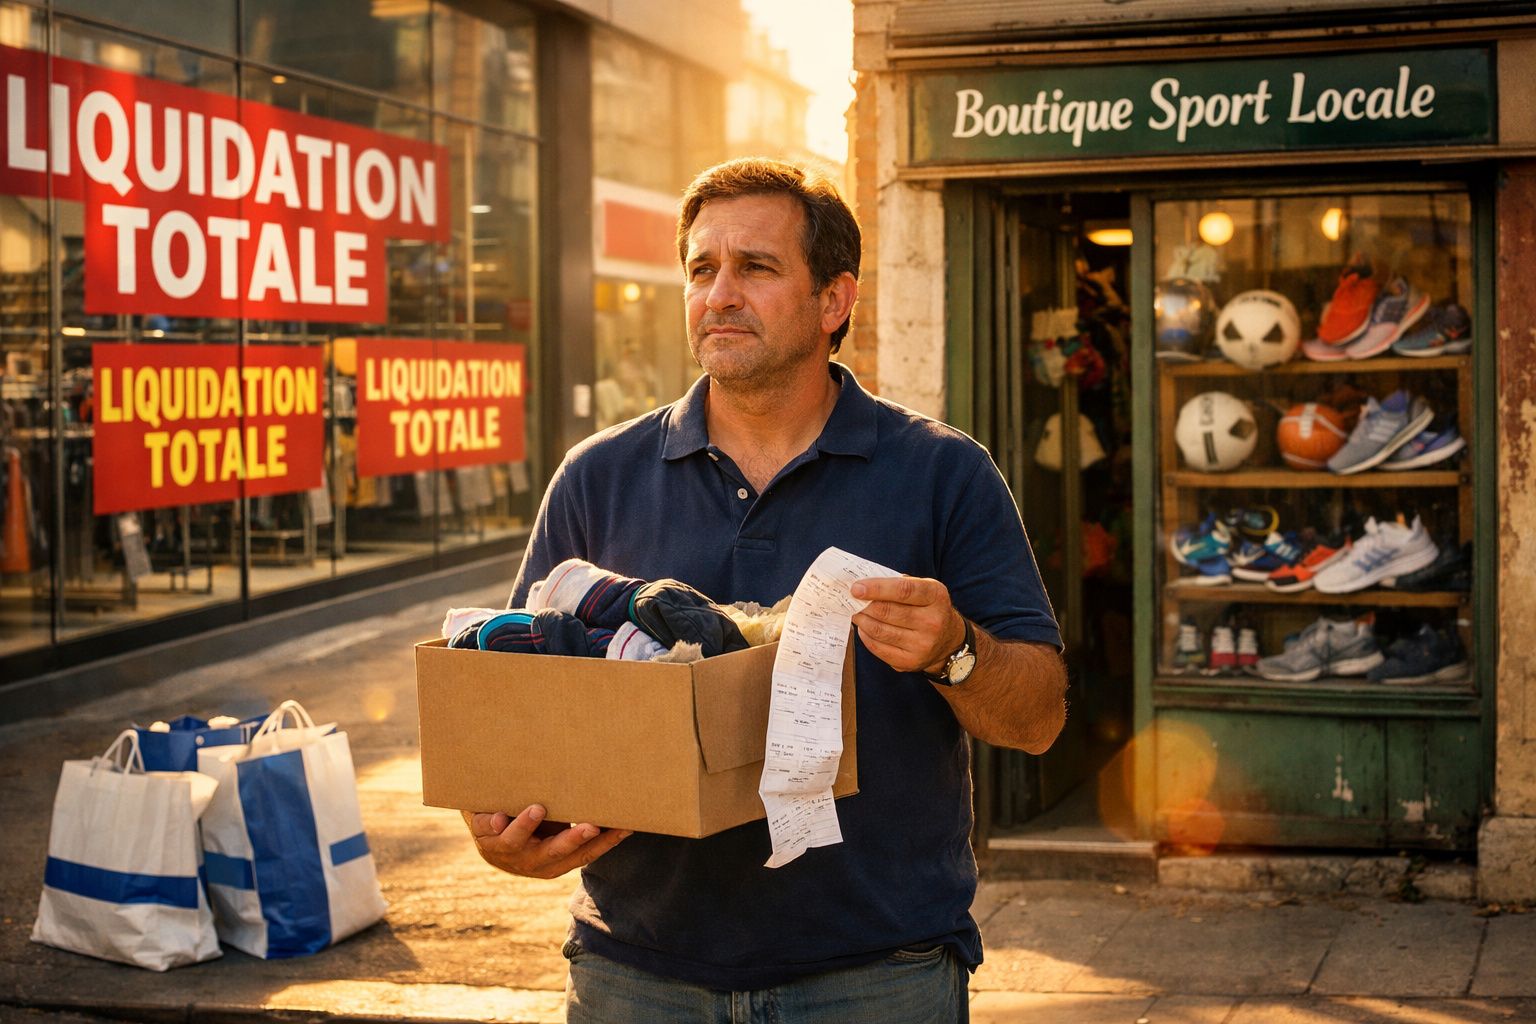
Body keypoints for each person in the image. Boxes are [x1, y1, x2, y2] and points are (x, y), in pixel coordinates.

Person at [461, 157, 1067, 1023]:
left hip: (877, 977)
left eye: (757, 267)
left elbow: (1039, 718)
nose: (720, 294)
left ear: (834, 301)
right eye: (702, 269)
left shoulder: (942, 473)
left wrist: (955, 652)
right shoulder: (597, 477)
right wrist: (506, 841)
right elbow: (512, 710)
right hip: (637, 974)